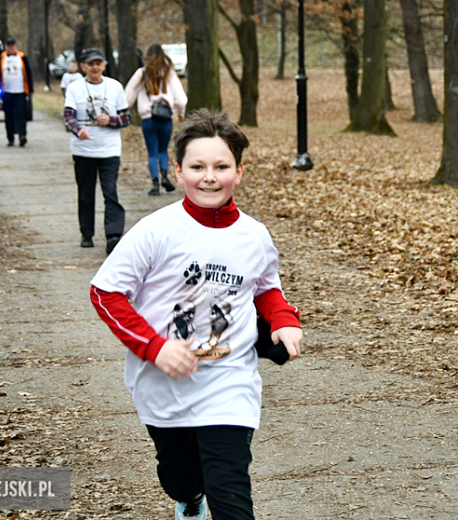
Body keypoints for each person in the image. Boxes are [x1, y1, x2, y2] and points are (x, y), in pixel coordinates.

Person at [89, 110, 302, 520]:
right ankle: (189, 497)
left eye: (221, 167)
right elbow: (105, 292)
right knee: (180, 476)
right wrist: (154, 347)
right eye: (197, 166)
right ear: (178, 170)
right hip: (163, 381)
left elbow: (266, 287)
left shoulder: (254, 235)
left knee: (232, 493)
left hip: (229, 379)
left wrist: (284, 321)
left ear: (238, 172)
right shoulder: (157, 230)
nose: (209, 177)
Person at [63, 48, 130, 254]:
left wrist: (110, 120)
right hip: (84, 150)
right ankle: (87, 234)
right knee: (86, 194)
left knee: (110, 192)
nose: (95, 67)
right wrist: (78, 130)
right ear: (83, 67)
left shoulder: (115, 87)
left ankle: (113, 235)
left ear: (104, 66)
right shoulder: (75, 88)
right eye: (90, 64)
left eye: (98, 63)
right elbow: (68, 117)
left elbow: (126, 118)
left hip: (109, 150)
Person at [124, 42, 187, 196]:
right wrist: (180, 112)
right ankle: (165, 176)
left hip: (148, 119)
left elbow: (128, 97)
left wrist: (124, 111)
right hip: (166, 118)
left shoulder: (142, 73)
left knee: (152, 152)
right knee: (163, 150)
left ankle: (155, 184)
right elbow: (181, 99)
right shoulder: (169, 73)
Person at [0, 37, 33, 147]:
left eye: (12, 45)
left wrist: (30, 89)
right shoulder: (1, 58)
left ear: (15, 46)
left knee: (20, 113)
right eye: (8, 45)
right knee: (9, 115)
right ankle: (10, 137)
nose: (11, 47)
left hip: (20, 90)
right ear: (6, 47)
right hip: (6, 91)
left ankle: (22, 135)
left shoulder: (22, 57)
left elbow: (28, 73)